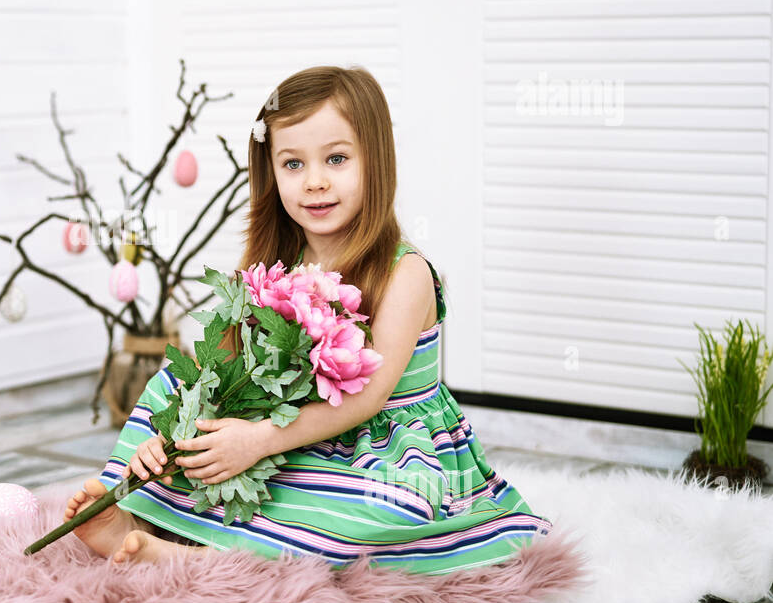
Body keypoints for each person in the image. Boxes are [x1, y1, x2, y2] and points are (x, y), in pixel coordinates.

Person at [65, 65, 554, 572]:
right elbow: (225, 374)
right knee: (172, 386)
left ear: (376, 161)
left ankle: (200, 557)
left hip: (379, 443)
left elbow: (367, 398)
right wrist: (168, 438)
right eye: (293, 164)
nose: (315, 182)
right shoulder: (277, 262)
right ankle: (137, 517)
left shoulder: (403, 273)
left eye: (337, 159)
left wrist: (257, 441)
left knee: (384, 507)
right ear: (271, 171)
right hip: (289, 433)